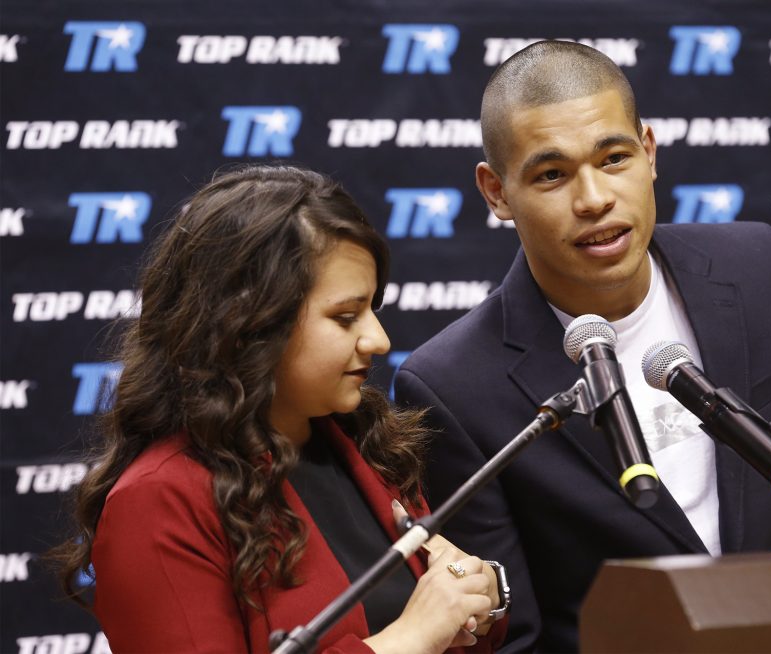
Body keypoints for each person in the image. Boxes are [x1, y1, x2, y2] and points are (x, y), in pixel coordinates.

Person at [394, 41, 771, 652]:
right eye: (552, 174)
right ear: (497, 192)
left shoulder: (764, 271)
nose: (593, 199)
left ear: (650, 151)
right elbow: (517, 636)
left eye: (614, 158)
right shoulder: (451, 386)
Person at [53, 165, 509, 653]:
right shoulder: (157, 501)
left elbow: (450, 627)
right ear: (250, 323)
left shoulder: (366, 445)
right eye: (345, 316)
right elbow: (414, 633)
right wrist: (407, 639)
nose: (379, 340)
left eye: (374, 309)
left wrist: (478, 598)